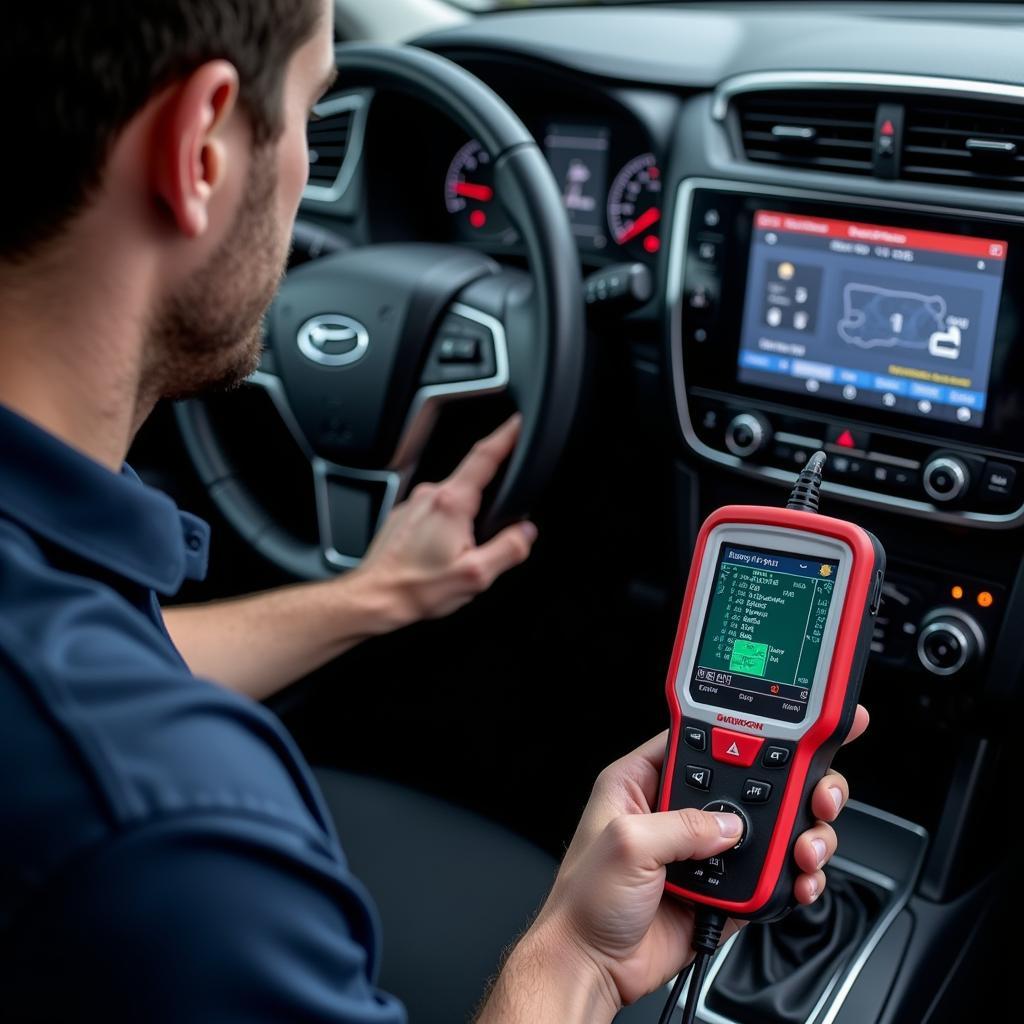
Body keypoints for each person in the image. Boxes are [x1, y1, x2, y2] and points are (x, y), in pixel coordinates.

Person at [0, 2, 866, 1020]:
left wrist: (369, 596)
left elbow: (111, 662)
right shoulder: (175, 837)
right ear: (199, 149)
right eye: (314, 118)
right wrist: (575, 958)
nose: (306, 185)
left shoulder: (57, 636)